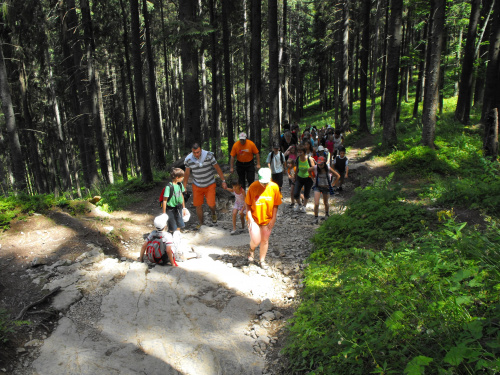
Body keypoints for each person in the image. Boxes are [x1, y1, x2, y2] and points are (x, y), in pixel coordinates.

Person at [245, 168, 282, 270]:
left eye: (266, 182)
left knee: (264, 240)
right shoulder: (253, 187)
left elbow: (276, 204)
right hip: (255, 218)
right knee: (256, 240)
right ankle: (251, 250)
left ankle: (262, 260)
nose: (265, 185)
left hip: (267, 219)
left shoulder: (274, 187)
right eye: (263, 183)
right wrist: (250, 219)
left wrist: (274, 218)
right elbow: (247, 204)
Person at [184, 142, 228, 227]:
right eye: (194, 152)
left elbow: (217, 168)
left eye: (198, 152)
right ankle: (201, 223)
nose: (196, 154)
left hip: (210, 183)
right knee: (198, 205)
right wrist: (184, 186)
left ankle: (213, 213)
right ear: (191, 151)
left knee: (211, 203)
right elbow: (187, 173)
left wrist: (223, 180)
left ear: (201, 150)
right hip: (197, 185)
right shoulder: (188, 159)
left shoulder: (209, 156)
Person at [309, 156, 340, 224]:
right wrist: (312, 178)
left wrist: (333, 184)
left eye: (321, 164)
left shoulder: (328, 169)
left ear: (324, 163)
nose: (320, 166)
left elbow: (337, 176)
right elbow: (309, 170)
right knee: (316, 203)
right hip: (317, 186)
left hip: (326, 187)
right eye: (319, 164)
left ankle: (327, 214)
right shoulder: (315, 167)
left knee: (325, 202)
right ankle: (316, 217)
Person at [293, 144, 315, 213]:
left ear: (304, 152)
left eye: (300, 152)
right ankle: (299, 204)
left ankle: (304, 206)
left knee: (306, 193)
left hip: (308, 178)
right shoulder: (297, 159)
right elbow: (297, 169)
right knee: (296, 193)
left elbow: (314, 168)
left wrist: (314, 178)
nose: (299, 153)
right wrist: (295, 177)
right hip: (299, 177)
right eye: (298, 152)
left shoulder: (309, 159)